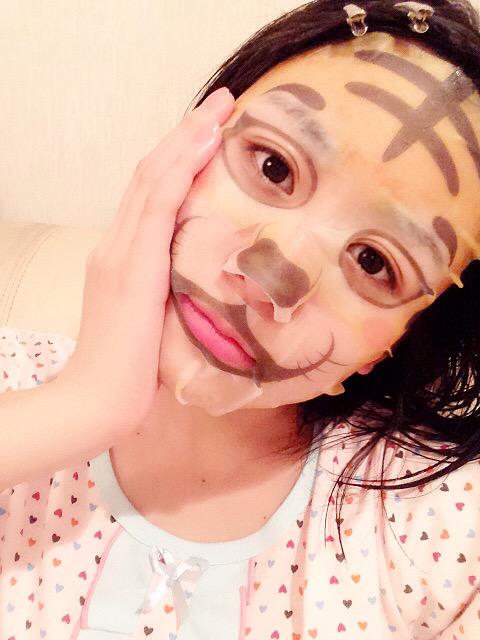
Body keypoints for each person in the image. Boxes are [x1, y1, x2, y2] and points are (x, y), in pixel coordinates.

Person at [1, 0, 480, 637]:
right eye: (273, 165)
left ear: (403, 336)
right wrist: (84, 406)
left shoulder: (441, 521)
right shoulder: (13, 376)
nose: (272, 276)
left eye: (374, 262)